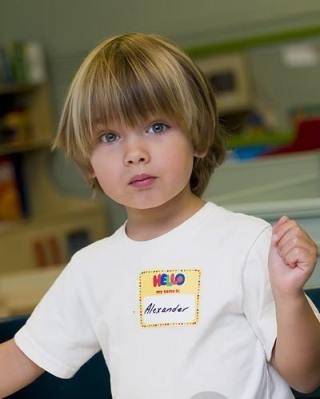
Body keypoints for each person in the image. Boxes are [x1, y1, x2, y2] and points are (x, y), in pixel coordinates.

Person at [0, 32, 319, 399]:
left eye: (156, 127)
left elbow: (306, 377)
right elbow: (19, 359)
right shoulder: (91, 269)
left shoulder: (248, 243)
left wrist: (289, 296)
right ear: (88, 161)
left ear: (197, 136)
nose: (134, 153)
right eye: (108, 136)